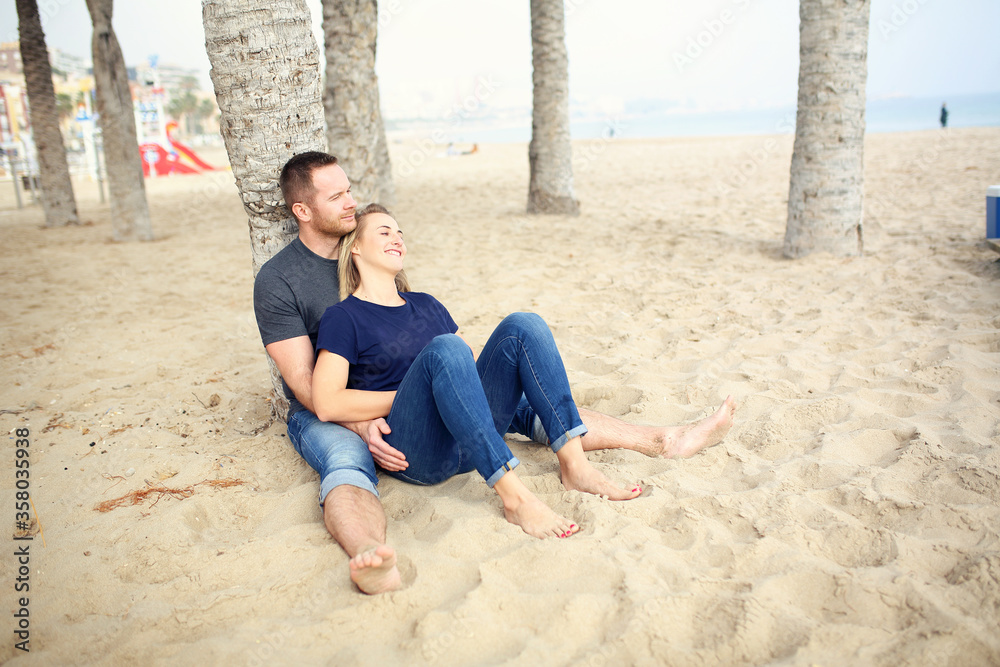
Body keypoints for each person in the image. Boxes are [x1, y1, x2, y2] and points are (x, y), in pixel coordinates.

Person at [253, 151, 735, 594]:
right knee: (348, 461)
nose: (351, 204)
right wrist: (379, 411)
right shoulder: (293, 286)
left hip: (444, 421)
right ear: (305, 212)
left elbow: (458, 367)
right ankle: (387, 548)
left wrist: (454, 389)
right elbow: (315, 390)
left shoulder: (422, 302)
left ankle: (611, 456)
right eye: (338, 197)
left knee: (521, 333)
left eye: (352, 194)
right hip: (374, 428)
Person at [312, 203, 644, 542]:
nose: (397, 239)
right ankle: (515, 498)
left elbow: (468, 368)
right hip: (417, 452)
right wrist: (418, 395)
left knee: (523, 324)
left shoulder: (426, 304)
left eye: (400, 233)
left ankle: (575, 467)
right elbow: (326, 402)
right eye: (384, 232)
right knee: (447, 348)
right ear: (355, 246)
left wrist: (456, 385)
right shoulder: (344, 317)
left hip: (471, 439)